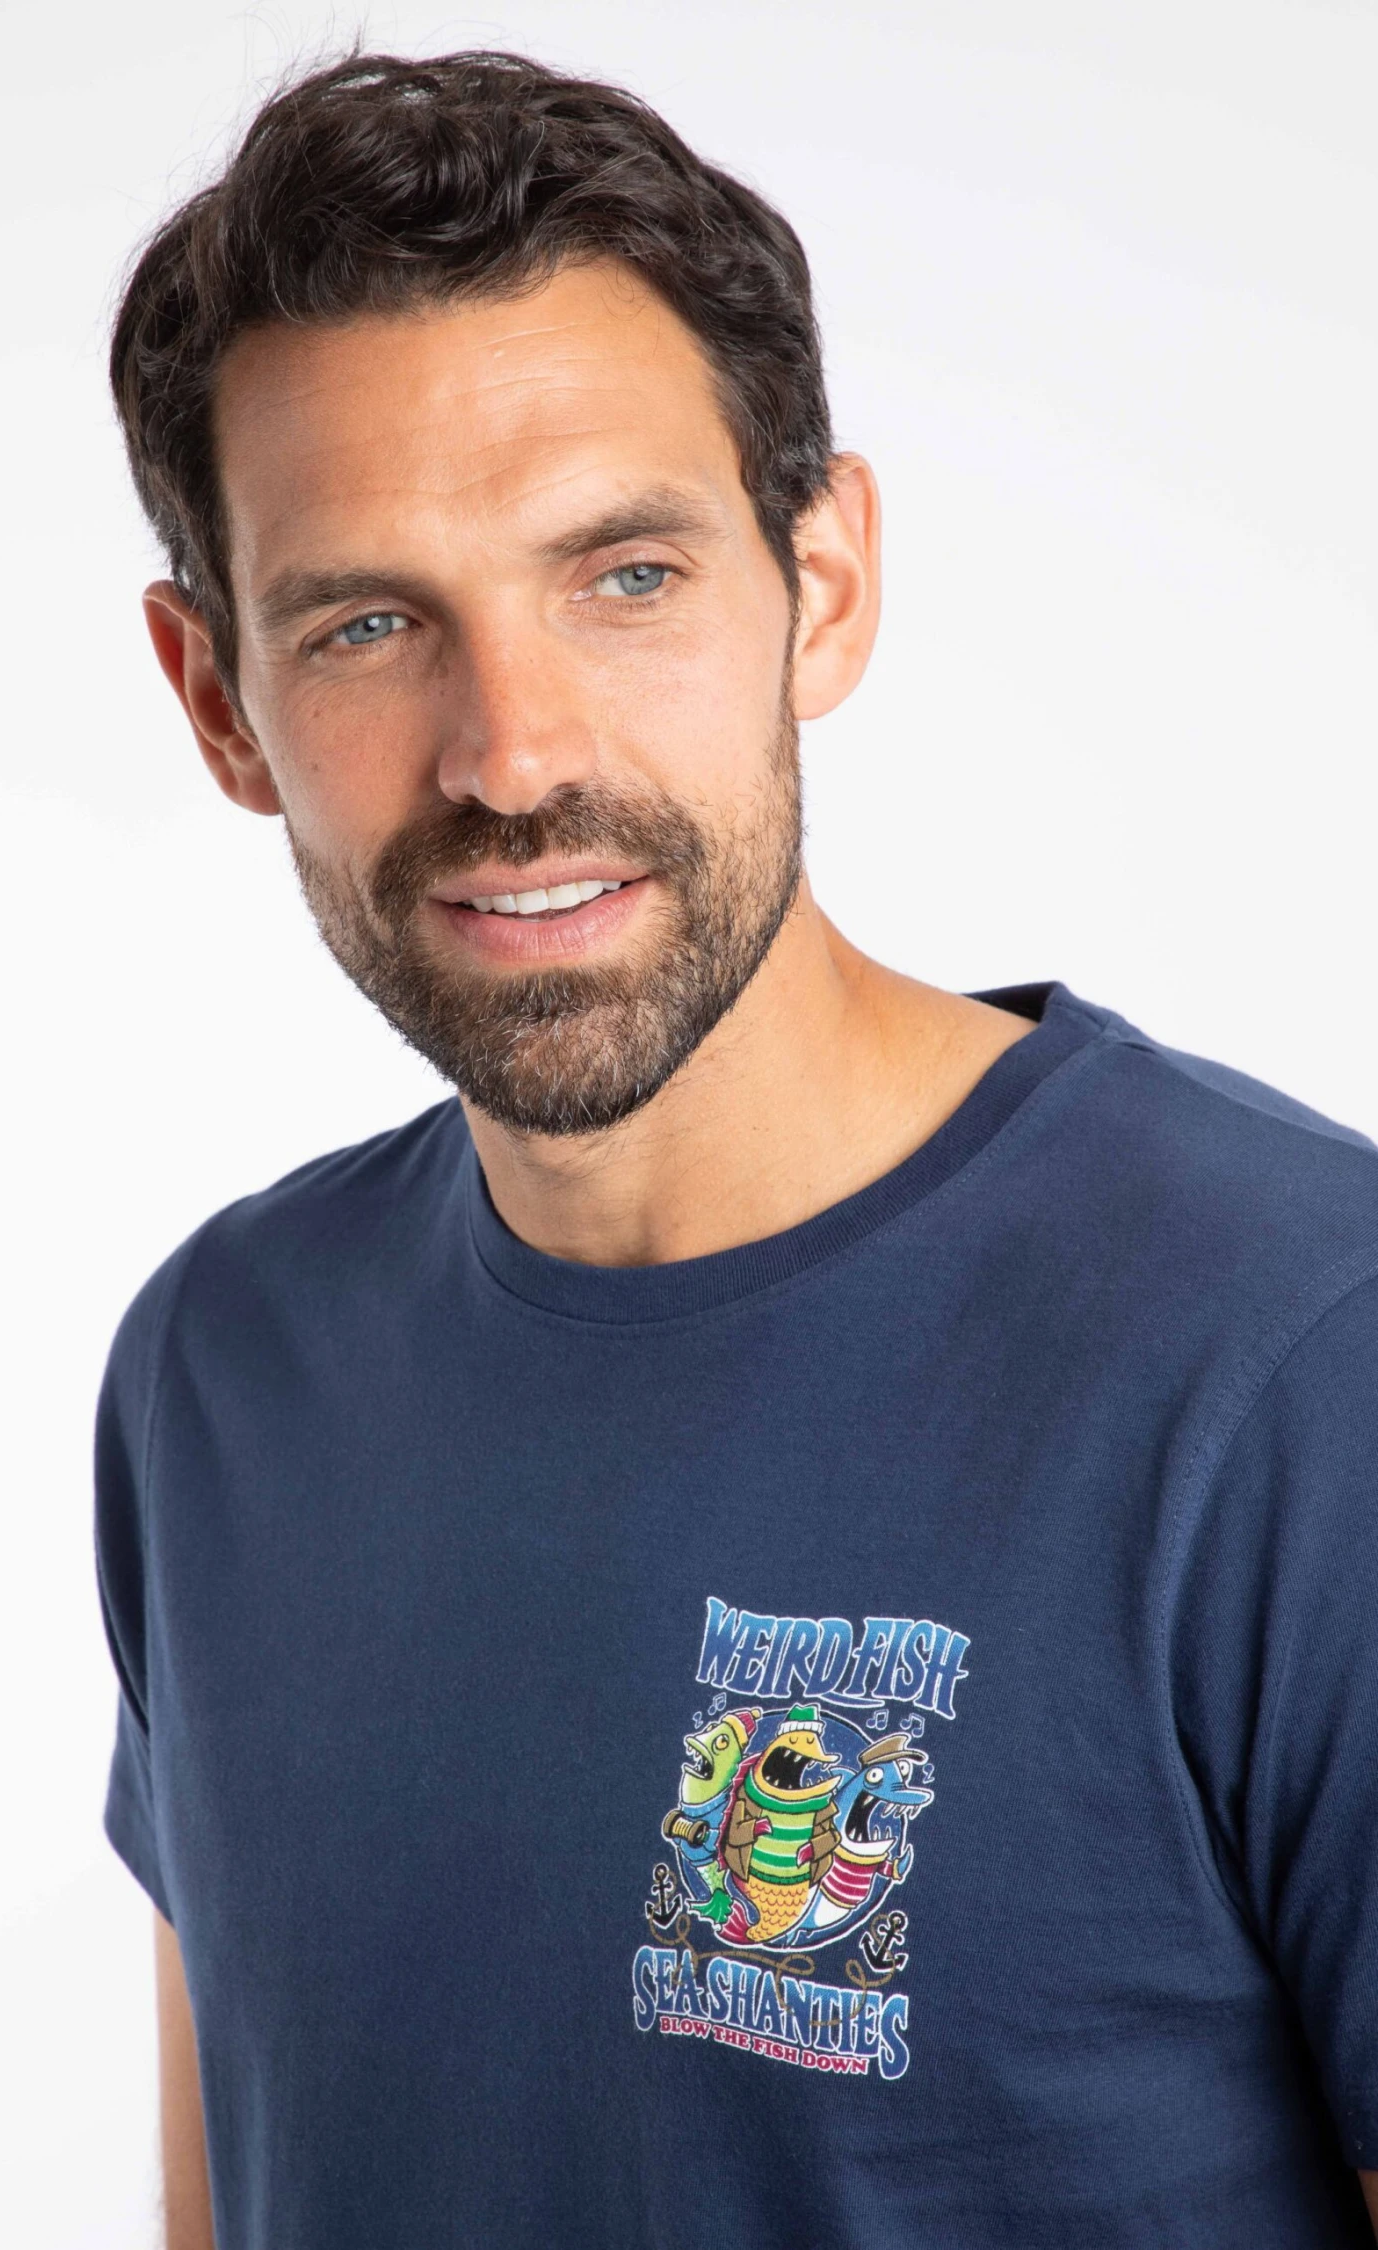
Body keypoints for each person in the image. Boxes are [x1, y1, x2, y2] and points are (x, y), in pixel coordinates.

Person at [96, 49, 1378, 2249]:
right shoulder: (219, 1370)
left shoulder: (1298, 1366)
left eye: (624, 576)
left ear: (826, 581)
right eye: (369, 622)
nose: (514, 755)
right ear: (221, 700)